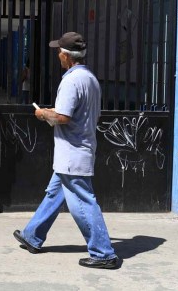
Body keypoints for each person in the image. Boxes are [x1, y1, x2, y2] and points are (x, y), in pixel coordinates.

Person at [12, 32, 119, 269]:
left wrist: (42, 114)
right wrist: (55, 111)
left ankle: (103, 253)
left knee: (82, 201)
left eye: (59, 51)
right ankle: (32, 235)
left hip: (72, 152)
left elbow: (63, 117)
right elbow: (74, 112)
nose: (58, 55)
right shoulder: (88, 77)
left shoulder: (71, 80)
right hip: (78, 149)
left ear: (65, 55)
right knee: (54, 193)